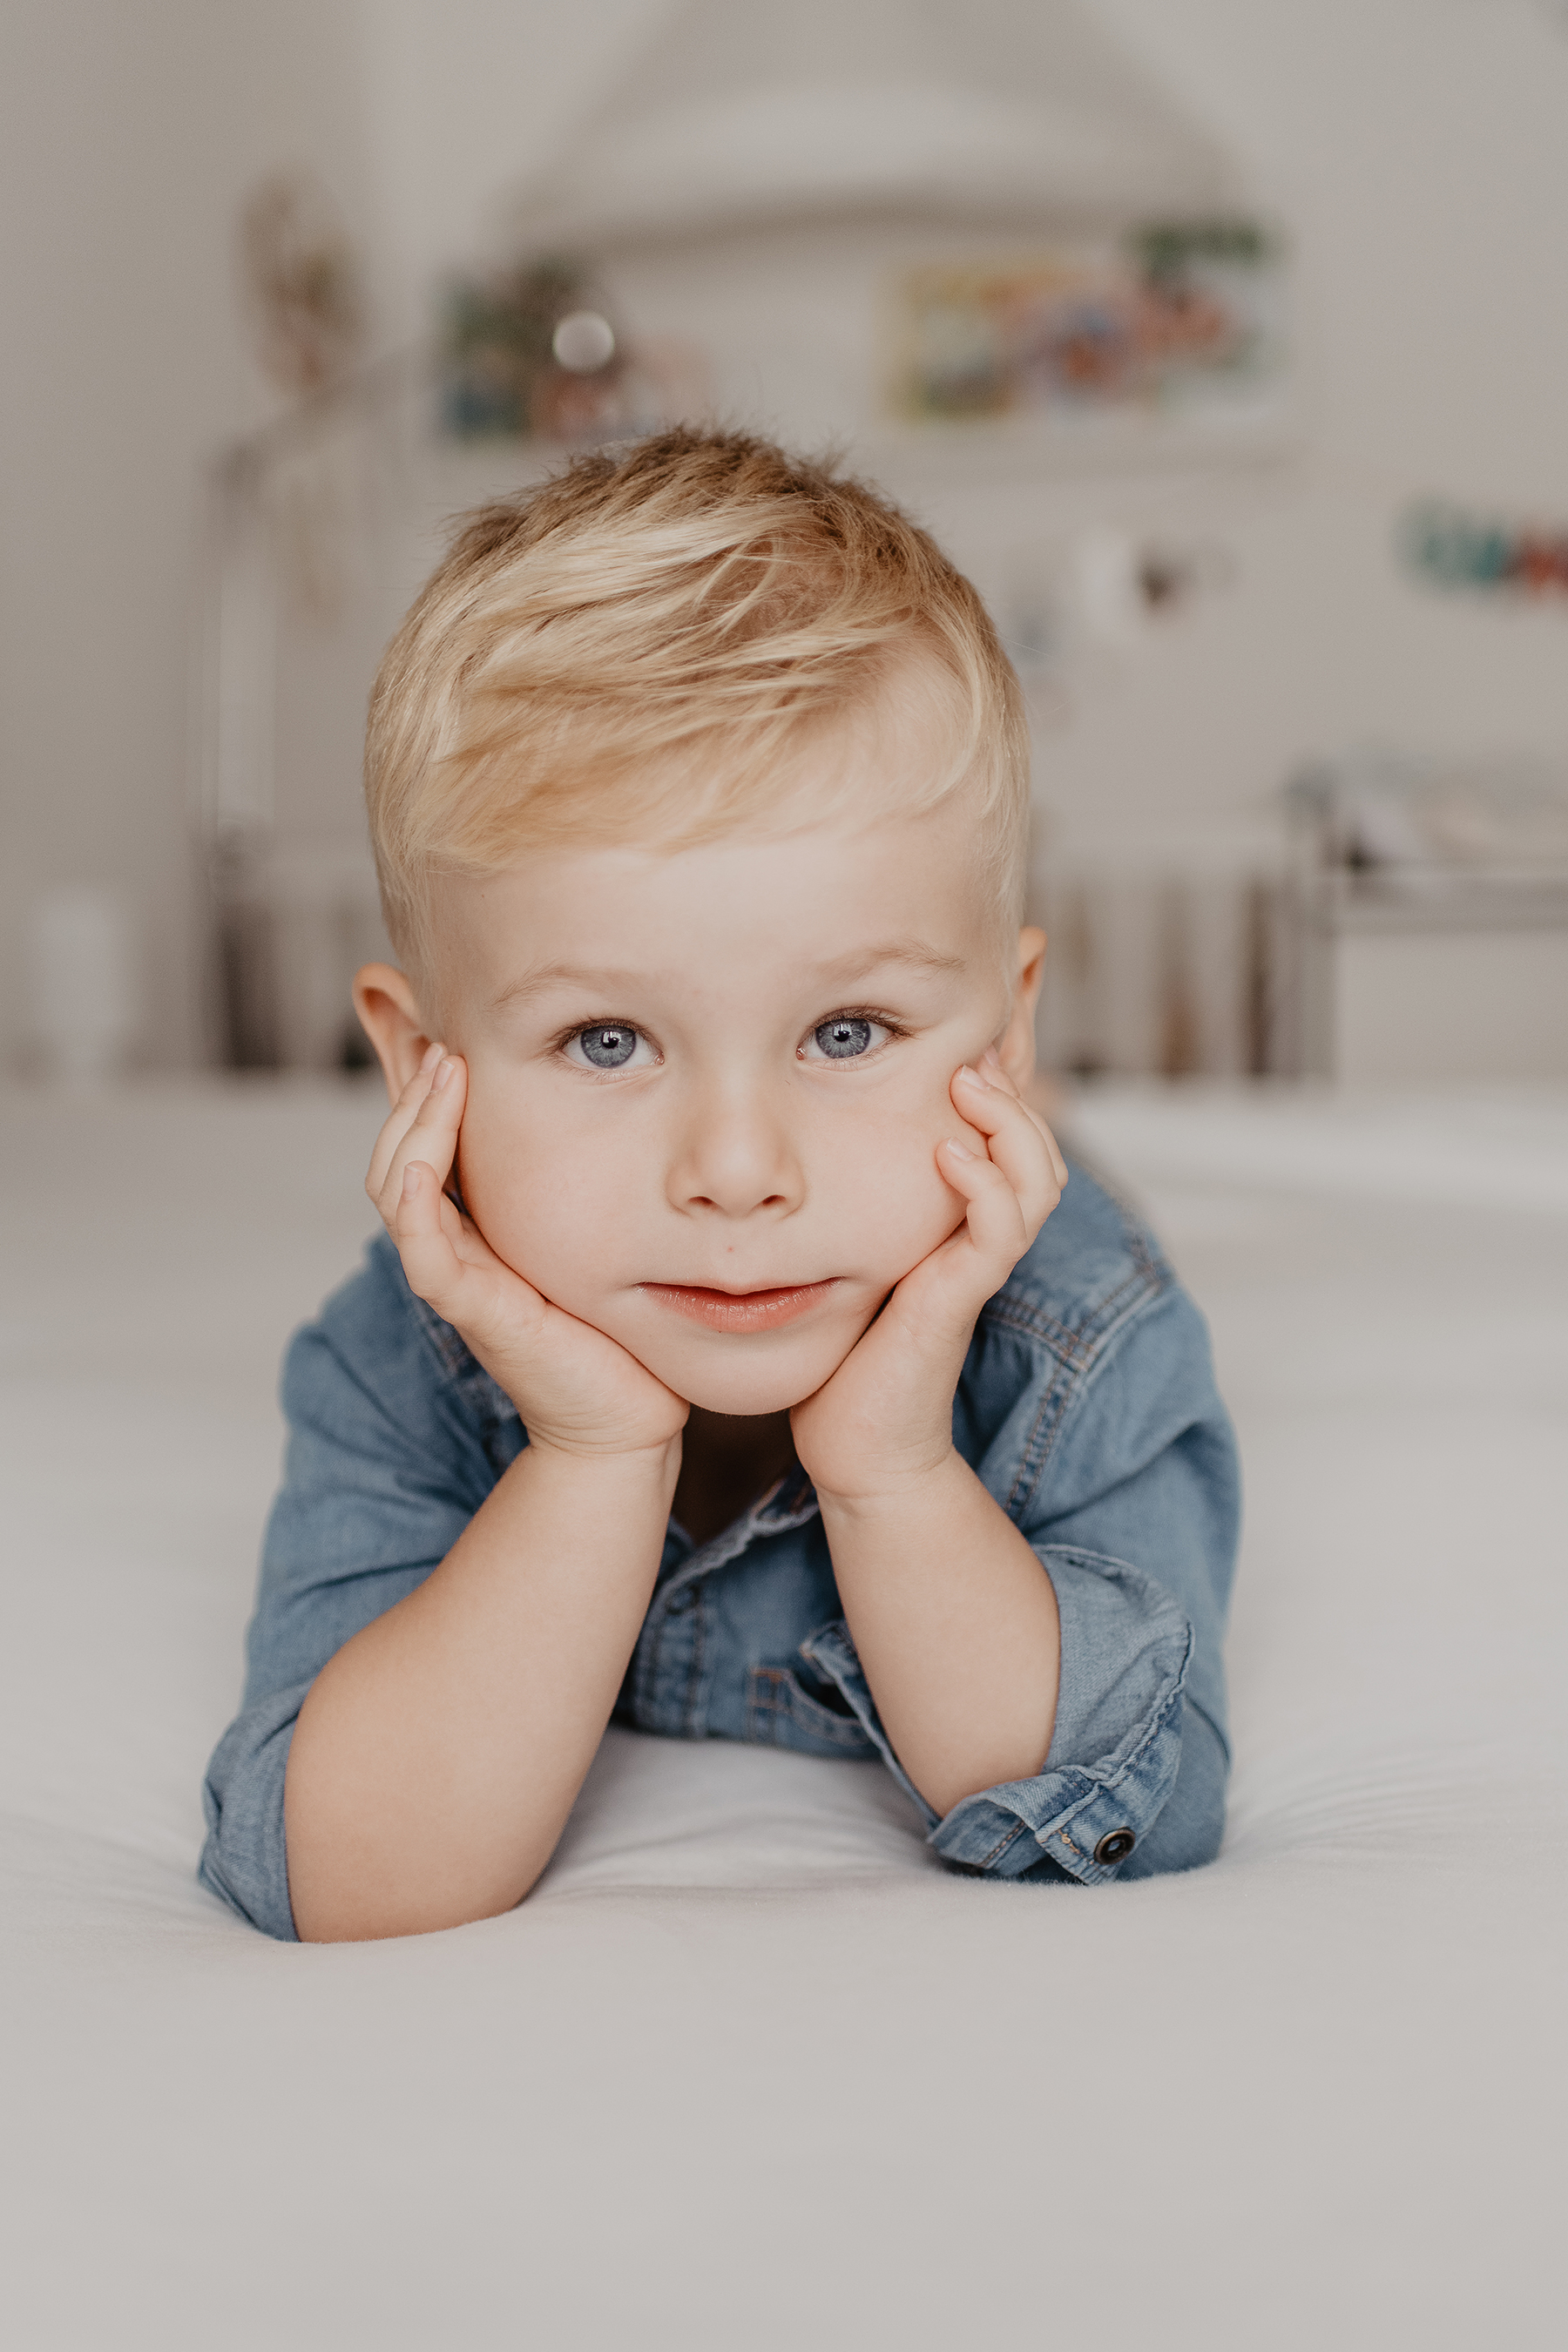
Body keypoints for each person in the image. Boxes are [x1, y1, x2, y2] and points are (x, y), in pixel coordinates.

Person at [200, 429, 1239, 1943]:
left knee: (1000, 1183)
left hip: (980, 1218)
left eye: (846, 1028)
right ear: (424, 1065)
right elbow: (340, 1872)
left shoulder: (1081, 1329)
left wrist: (893, 1468)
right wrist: (590, 1453)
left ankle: (1025, 1106)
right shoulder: (395, 1360)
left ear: (1005, 1036)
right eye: (608, 1040)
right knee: (869, 1167)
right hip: (853, 1200)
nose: (739, 1173)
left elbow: (1131, 1797)